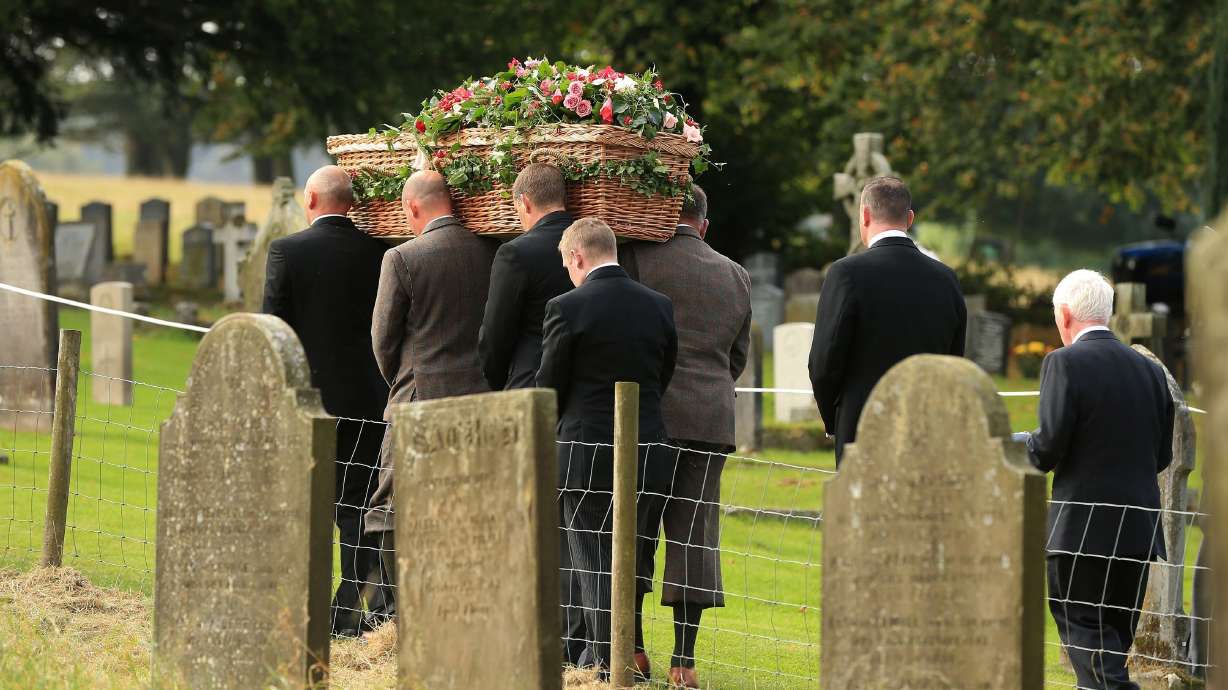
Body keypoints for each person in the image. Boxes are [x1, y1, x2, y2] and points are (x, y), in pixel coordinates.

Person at [1014, 269, 1173, 690]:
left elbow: (1046, 448)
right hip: (1137, 530)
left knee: (1084, 630)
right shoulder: (1151, 371)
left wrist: (1014, 443)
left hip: (1080, 531)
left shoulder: (1063, 362)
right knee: (1113, 642)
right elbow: (1162, 457)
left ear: (1064, 315)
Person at [620, 184, 750, 688]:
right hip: (710, 419)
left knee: (635, 532)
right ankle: (684, 661)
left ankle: (633, 650)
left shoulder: (636, 260)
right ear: (704, 224)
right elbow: (737, 357)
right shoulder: (735, 275)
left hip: (650, 415)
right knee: (695, 538)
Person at [537, 218, 678, 679]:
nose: (568, 274)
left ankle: (604, 665)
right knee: (635, 558)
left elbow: (549, 385)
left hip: (585, 450)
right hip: (649, 446)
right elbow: (664, 373)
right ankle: (627, 655)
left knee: (593, 561)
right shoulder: (658, 305)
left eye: (567, 265)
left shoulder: (566, 307)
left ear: (577, 256)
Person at [364, 170, 498, 625]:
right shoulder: (491, 250)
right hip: (479, 400)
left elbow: (383, 338)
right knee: (466, 507)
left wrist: (403, 382)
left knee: (390, 507)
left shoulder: (402, 257)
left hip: (419, 397)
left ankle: (402, 613)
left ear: (413, 207)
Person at [262, 164, 390, 637]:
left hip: (308, 402)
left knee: (303, 502)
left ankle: (297, 606)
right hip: (367, 401)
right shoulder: (380, 252)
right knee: (356, 505)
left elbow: (273, 329)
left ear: (311, 200)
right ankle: (350, 613)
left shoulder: (287, 251)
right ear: (351, 203)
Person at [477, 162, 587, 663]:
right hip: (586, 397)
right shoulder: (597, 241)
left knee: (532, 516)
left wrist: (498, 384)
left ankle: (542, 632)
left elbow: (493, 337)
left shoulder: (516, 253)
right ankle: (579, 635)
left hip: (529, 392)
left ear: (523, 202)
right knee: (577, 522)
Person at [807, 175, 966, 463]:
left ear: (865, 216)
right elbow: (954, 363)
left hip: (862, 428)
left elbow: (824, 362)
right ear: (910, 218)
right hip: (925, 429)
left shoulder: (846, 273)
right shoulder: (946, 278)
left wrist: (834, 420)